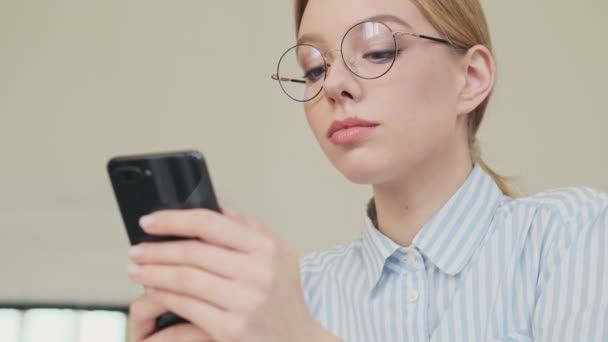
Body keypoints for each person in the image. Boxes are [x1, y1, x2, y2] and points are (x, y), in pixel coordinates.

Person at [126, 0, 608, 341]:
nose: (333, 83)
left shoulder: (573, 236)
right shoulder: (290, 295)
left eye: (377, 50)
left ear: (472, 77)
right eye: (314, 67)